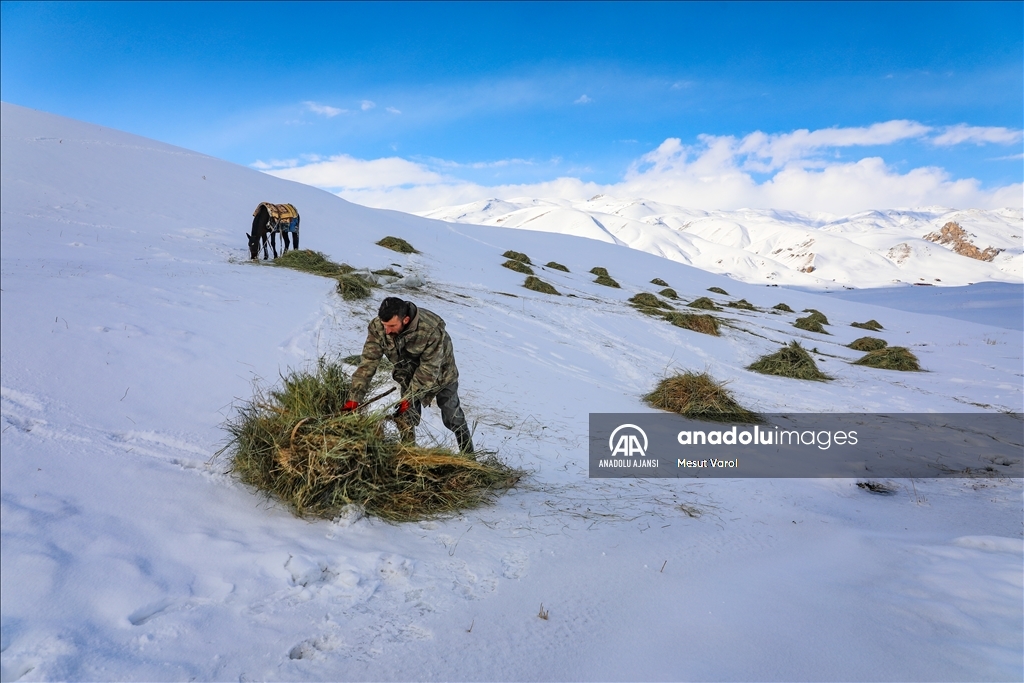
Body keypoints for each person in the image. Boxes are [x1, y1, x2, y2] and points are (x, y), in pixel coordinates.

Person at [343, 297, 474, 453]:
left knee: (453, 417)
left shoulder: (430, 329)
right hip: (407, 375)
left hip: (442, 375)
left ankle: (469, 456)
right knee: (405, 417)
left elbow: (429, 369)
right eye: (384, 325)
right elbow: (368, 363)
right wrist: (354, 397)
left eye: (392, 326)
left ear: (405, 320)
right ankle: (408, 455)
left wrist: (410, 396)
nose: (387, 331)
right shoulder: (378, 327)